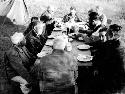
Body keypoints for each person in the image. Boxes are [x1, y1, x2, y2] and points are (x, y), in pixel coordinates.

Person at [91, 24, 125, 94]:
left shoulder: (109, 45)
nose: (106, 34)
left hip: (109, 77)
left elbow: (98, 57)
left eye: (108, 32)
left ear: (111, 33)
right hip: (120, 78)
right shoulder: (121, 44)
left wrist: (96, 68)